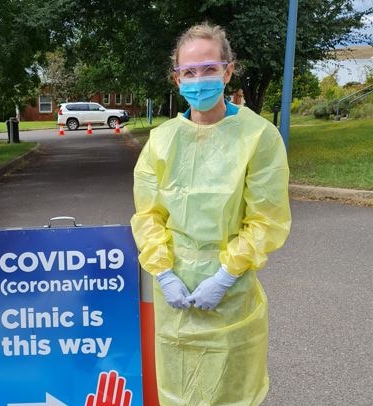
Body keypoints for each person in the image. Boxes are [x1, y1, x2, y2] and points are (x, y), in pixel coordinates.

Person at [131, 23, 291, 406]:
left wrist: (224, 276)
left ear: (228, 71)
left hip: (231, 296)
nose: (198, 80)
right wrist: (164, 272)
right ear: (177, 78)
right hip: (175, 301)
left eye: (208, 69)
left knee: (232, 392)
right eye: (189, 72)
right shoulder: (162, 140)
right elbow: (148, 214)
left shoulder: (259, 137)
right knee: (178, 391)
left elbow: (265, 218)